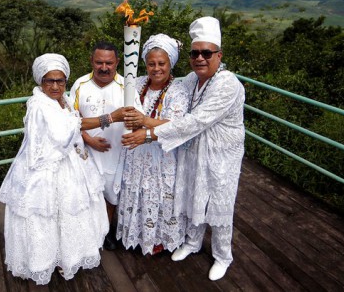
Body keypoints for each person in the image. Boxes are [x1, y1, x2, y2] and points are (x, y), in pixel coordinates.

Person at [122, 17, 246, 281]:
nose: (200, 58)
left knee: (219, 202)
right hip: (193, 150)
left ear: (219, 55)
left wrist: (146, 131)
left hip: (221, 155)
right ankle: (192, 242)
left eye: (206, 53)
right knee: (192, 193)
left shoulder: (227, 84)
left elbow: (194, 121)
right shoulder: (192, 79)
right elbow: (166, 85)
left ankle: (223, 256)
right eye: (195, 53)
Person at [0, 53, 126, 285]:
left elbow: (72, 122)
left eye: (60, 80)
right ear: (40, 81)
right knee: (46, 213)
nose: (55, 86)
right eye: (49, 80)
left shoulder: (63, 100)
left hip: (68, 162)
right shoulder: (39, 105)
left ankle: (67, 255)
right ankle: (45, 260)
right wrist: (110, 117)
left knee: (68, 211)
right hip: (45, 168)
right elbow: (68, 127)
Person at [114, 34, 190, 256]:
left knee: (158, 193)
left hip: (162, 154)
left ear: (171, 64)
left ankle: (158, 238)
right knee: (135, 191)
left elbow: (177, 125)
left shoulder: (179, 90)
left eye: (161, 63)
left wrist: (145, 127)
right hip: (135, 153)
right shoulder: (136, 84)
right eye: (151, 63)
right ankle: (136, 235)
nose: (156, 68)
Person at [68, 41, 124, 250]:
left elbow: (136, 117)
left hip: (115, 152)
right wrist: (89, 139)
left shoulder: (126, 87)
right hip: (86, 152)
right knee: (88, 194)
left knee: (111, 193)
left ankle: (107, 231)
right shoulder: (80, 84)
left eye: (109, 63)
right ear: (91, 61)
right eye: (99, 62)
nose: (104, 67)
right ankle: (89, 232)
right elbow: (70, 119)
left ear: (117, 62)